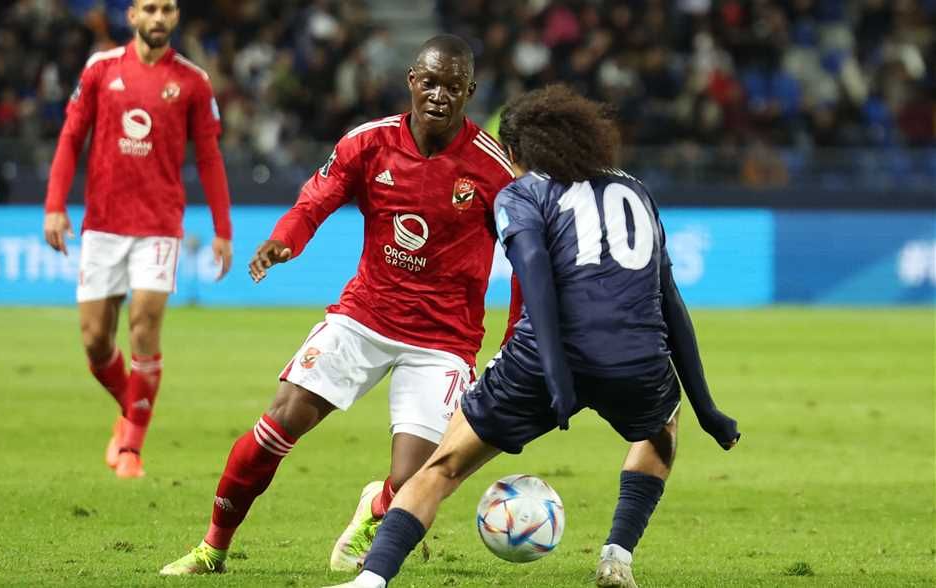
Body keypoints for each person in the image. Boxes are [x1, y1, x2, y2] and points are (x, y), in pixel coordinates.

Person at [328, 85, 741, 588]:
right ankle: (616, 557)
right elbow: (670, 302)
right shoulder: (635, 189)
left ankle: (370, 581)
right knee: (662, 428)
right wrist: (707, 408)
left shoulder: (522, 192)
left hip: (540, 361)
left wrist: (557, 375)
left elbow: (536, 278)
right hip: (635, 360)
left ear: (515, 151)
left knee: (443, 467)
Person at [159, 34, 520, 576]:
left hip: (443, 340)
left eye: (453, 86)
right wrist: (284, 241)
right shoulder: (369, 143)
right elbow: (314, 202)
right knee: (278, 425)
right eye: (429, 82)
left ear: (469, 92)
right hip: (364, 317)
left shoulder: (495, 171)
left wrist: (514, 340)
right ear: (411, 81)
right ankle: (213, 549)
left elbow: (527, 261)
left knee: (415, 480)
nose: (439, 95)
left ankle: (376, 508)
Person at [42, 0, 233, 479]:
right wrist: (54, 205)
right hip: (103, 223)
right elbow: (71, 137)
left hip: (158, 225)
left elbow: (209, 158)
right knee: (95, 340)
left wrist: (222, 230)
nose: (159, 17)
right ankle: (133, 409)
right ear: (132, 16)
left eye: (167, 9)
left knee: (144, 327)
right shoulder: (100, 69)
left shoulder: (192, 81)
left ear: (176, 16)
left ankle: (131, 447)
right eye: (150, 8)